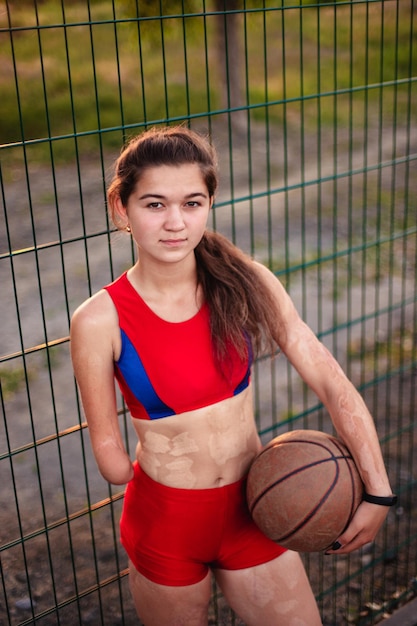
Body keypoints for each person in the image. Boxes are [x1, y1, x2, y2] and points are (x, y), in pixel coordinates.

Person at [70, 126, 395, 626]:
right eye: (154, 205)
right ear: (122, 209)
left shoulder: (246, 281)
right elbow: (112, 467)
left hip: (255, 511)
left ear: (210, 203)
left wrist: (376, 491)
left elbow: (331, 381)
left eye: (192, 203)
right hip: (165, 530)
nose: (175, 222)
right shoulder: (98, 320)